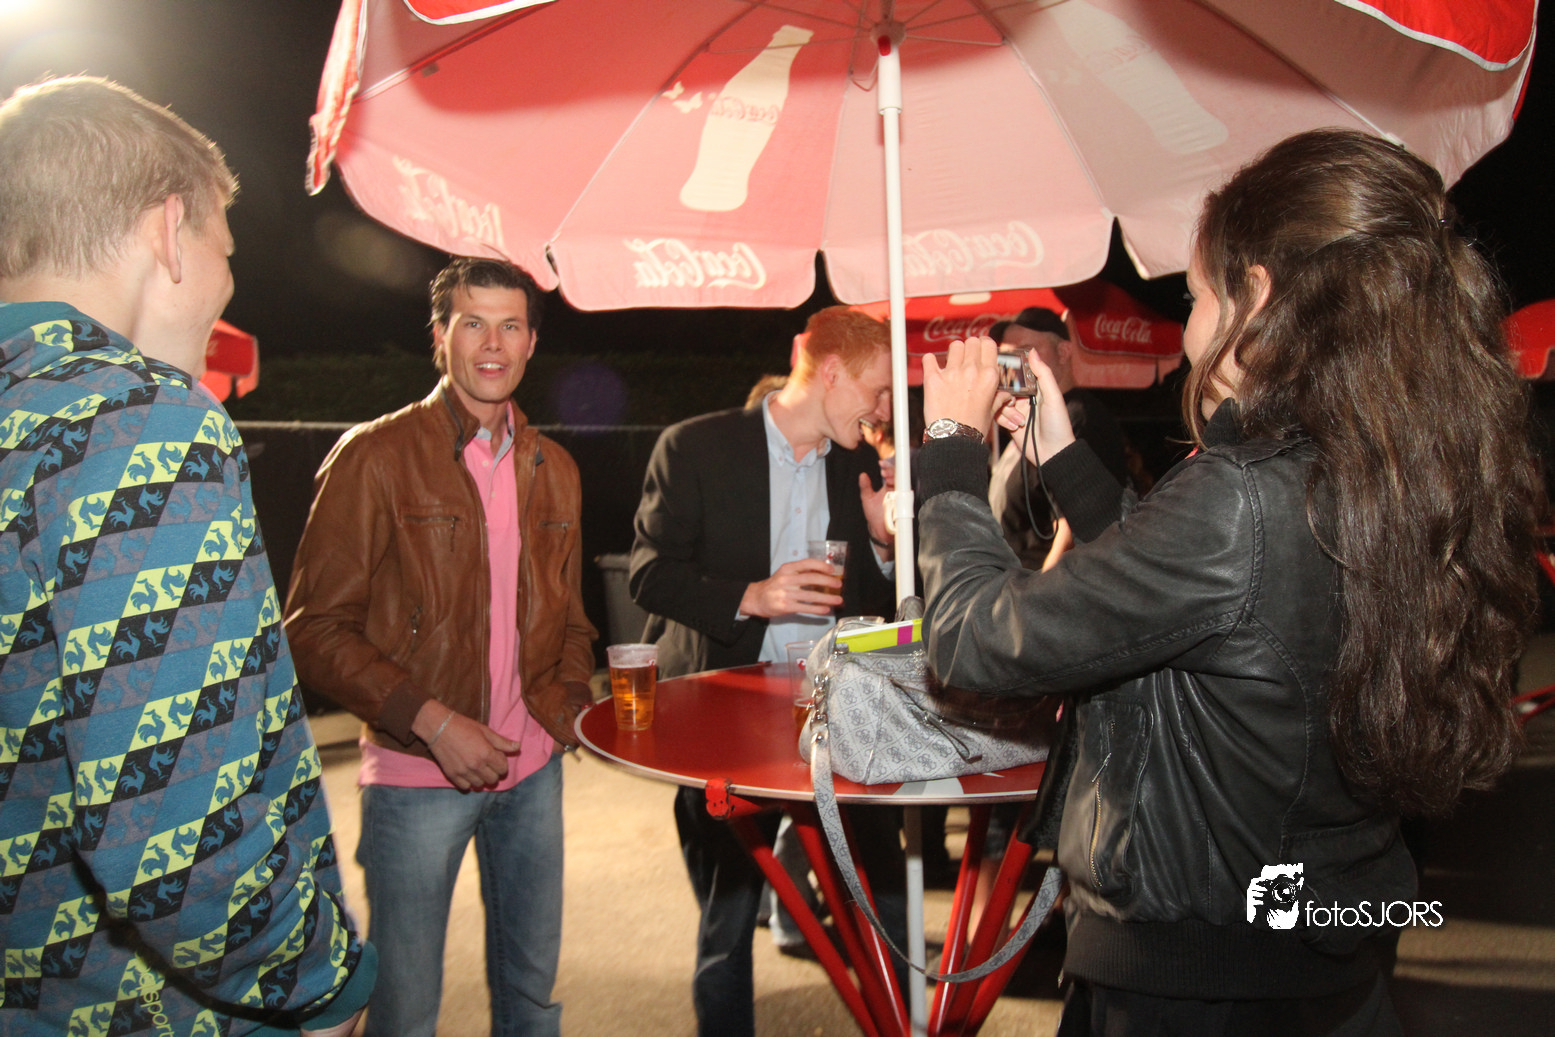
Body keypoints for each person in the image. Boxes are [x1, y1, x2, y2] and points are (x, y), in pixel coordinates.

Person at [915, 128, 1539, 1037]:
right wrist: (1062, 456)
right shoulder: (1386, 471)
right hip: (1328, 943)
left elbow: (972, 638)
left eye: (1197, 294)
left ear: (1259, 297)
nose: (1189, 324)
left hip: (1196, 979)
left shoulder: (1242, 497)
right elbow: (1202, 600)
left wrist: (947, 451)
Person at [0, 77, 373, 1036]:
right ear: (170, 228)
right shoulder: (137, 421)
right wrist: (316, 979)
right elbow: (176, 846)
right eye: (226, 251)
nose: (226, 286)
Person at [283, 257, 596, 1037]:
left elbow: (572, 620)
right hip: (417, 773)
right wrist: (434, 721)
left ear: (530, 343)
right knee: (404, 1009)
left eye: (510, 325)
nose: (493, 343)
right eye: (472, 323)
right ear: (439, 337)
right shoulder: (374, 455)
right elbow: (312, 629)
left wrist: (569, 708)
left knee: (532, 1002)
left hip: (533, 773)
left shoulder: (554, 467)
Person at [630, 304, 906, 1037]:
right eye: (878, 390)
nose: (884, 411)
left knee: (881, 899)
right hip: (726, 721)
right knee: (726, 922)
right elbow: (648, 575)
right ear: (833, 371)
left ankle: (899, 1021)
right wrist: (751, 596)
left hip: (833, 716)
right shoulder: (696, 445)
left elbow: (871, 606)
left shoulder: (856, 465)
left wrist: (882, 546)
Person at [985, 306, 1129, 570]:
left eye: (1024, 351)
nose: (1013, 363)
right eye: (1005, 355)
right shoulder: (1024, 418)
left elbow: (1075, 526)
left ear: (1063, 352)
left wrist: (1042, 588)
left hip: (1049, 584)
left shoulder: (1080, 417)